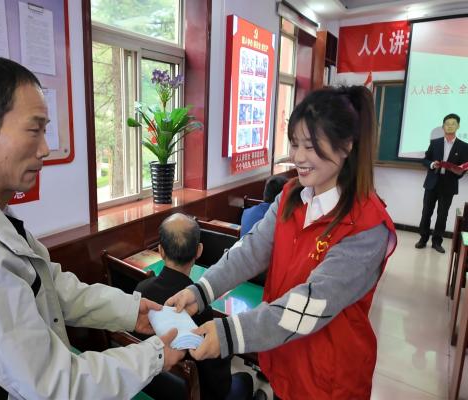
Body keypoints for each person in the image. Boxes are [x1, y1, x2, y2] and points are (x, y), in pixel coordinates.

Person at [0, 57, 184, 399]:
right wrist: (154, 356)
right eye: (34, 130)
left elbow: (51, 287)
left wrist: (132, 311)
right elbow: (58, 386)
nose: (45, 149)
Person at [166, 86, 397, 400]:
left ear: (346, 146)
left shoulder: (367, 226)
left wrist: (229, 334)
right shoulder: (291, 196)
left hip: (328, 380)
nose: (298, 157)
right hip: (283, 360)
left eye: (311, 146)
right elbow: (250, 251)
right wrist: (201, 291)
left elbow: (311, 304)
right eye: (295, 143)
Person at [135, 213, 254, 400]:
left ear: (160, 251)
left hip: (150, 387)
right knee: (245, 379)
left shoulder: (141, 290)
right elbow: (218, 384)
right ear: (199, 251)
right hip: (194, 393)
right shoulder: (199, 309)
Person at [415, 113, 468, 253]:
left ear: (458, 126)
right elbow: (425, 160)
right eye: (447, 124)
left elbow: (463, 167)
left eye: (453, 124)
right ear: (443, 126)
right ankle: (423, 239)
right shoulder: (435, 142)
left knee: (442, 215)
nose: (450, 126)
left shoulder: (464, 146)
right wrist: (432, 164)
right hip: (432, 183)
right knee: (426, 212)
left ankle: (437, 242)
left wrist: (458, 172)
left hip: (449, 184)